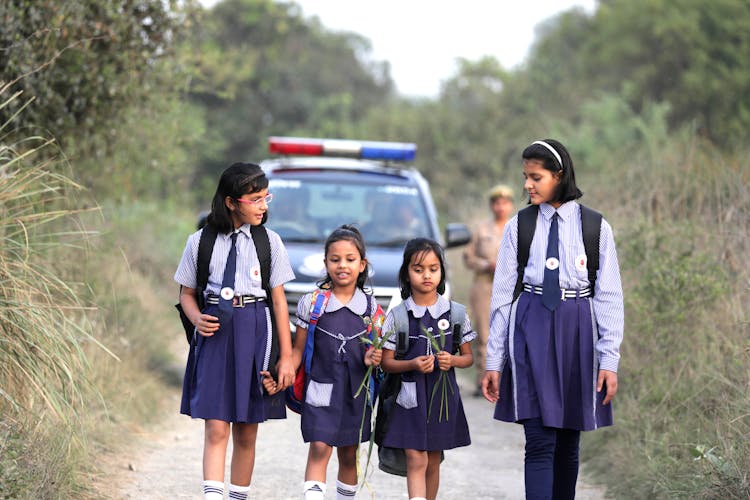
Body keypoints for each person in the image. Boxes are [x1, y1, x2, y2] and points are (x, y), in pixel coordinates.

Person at [482, 139, 624, 499]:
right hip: (531, 327)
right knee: (540, 439)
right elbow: (502, 296)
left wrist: (609, 359)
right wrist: (494, 360)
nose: (527, 185)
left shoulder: (595, 227)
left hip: (578, 330)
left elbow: (608, 296)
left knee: (567, 443)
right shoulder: (520, 226)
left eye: (536, 177)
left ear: (558, 176)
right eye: (525, 177)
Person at [174, 162, 296, 500]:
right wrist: (197, 317)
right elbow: (185, 294)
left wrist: (286, 357)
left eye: (265, 197)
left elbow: (280, 302)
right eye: (254, 199)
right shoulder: (199, 242)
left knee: (246, 430)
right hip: (214, 336)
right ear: (231, 202)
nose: (263, 205)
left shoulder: (270, 242)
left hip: (256, 333)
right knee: (215, 426)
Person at [282, 225, 383, 500]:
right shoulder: (312, 303)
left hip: (356, 393)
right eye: (335, 259)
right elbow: (299, 349)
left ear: (362, 265)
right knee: (318, 446)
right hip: (320, 386)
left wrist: (373, 358)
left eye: (350, 260)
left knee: (349, 454)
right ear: (325, 263)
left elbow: (380, 357)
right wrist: (286, 369)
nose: (342, 266)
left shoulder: (373, 309)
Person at [380, 238, 475, 500]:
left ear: (442, 272)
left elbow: (468, 358)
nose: (426, 275)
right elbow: (386, 362)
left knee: (433, 459)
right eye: (418, 269)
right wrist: (411, 364)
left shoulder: (455, 314)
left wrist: (452, 361)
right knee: (415, 457)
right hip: (409, 398)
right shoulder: (398, 316)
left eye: (433, 269)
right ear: (406, 274)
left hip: (440, 398)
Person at [463, 183, 514, 396]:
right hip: (484, 284)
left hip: (510, 285)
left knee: (509, 332)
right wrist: (486, 264)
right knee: (485, 332)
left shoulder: (517, 227)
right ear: (492, 205)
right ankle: (483, 379)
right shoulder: (481, 229)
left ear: (510, 205)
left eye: (504, 203)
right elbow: (468, 256)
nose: (500, 207)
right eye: (496, 203)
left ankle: (506, 381)